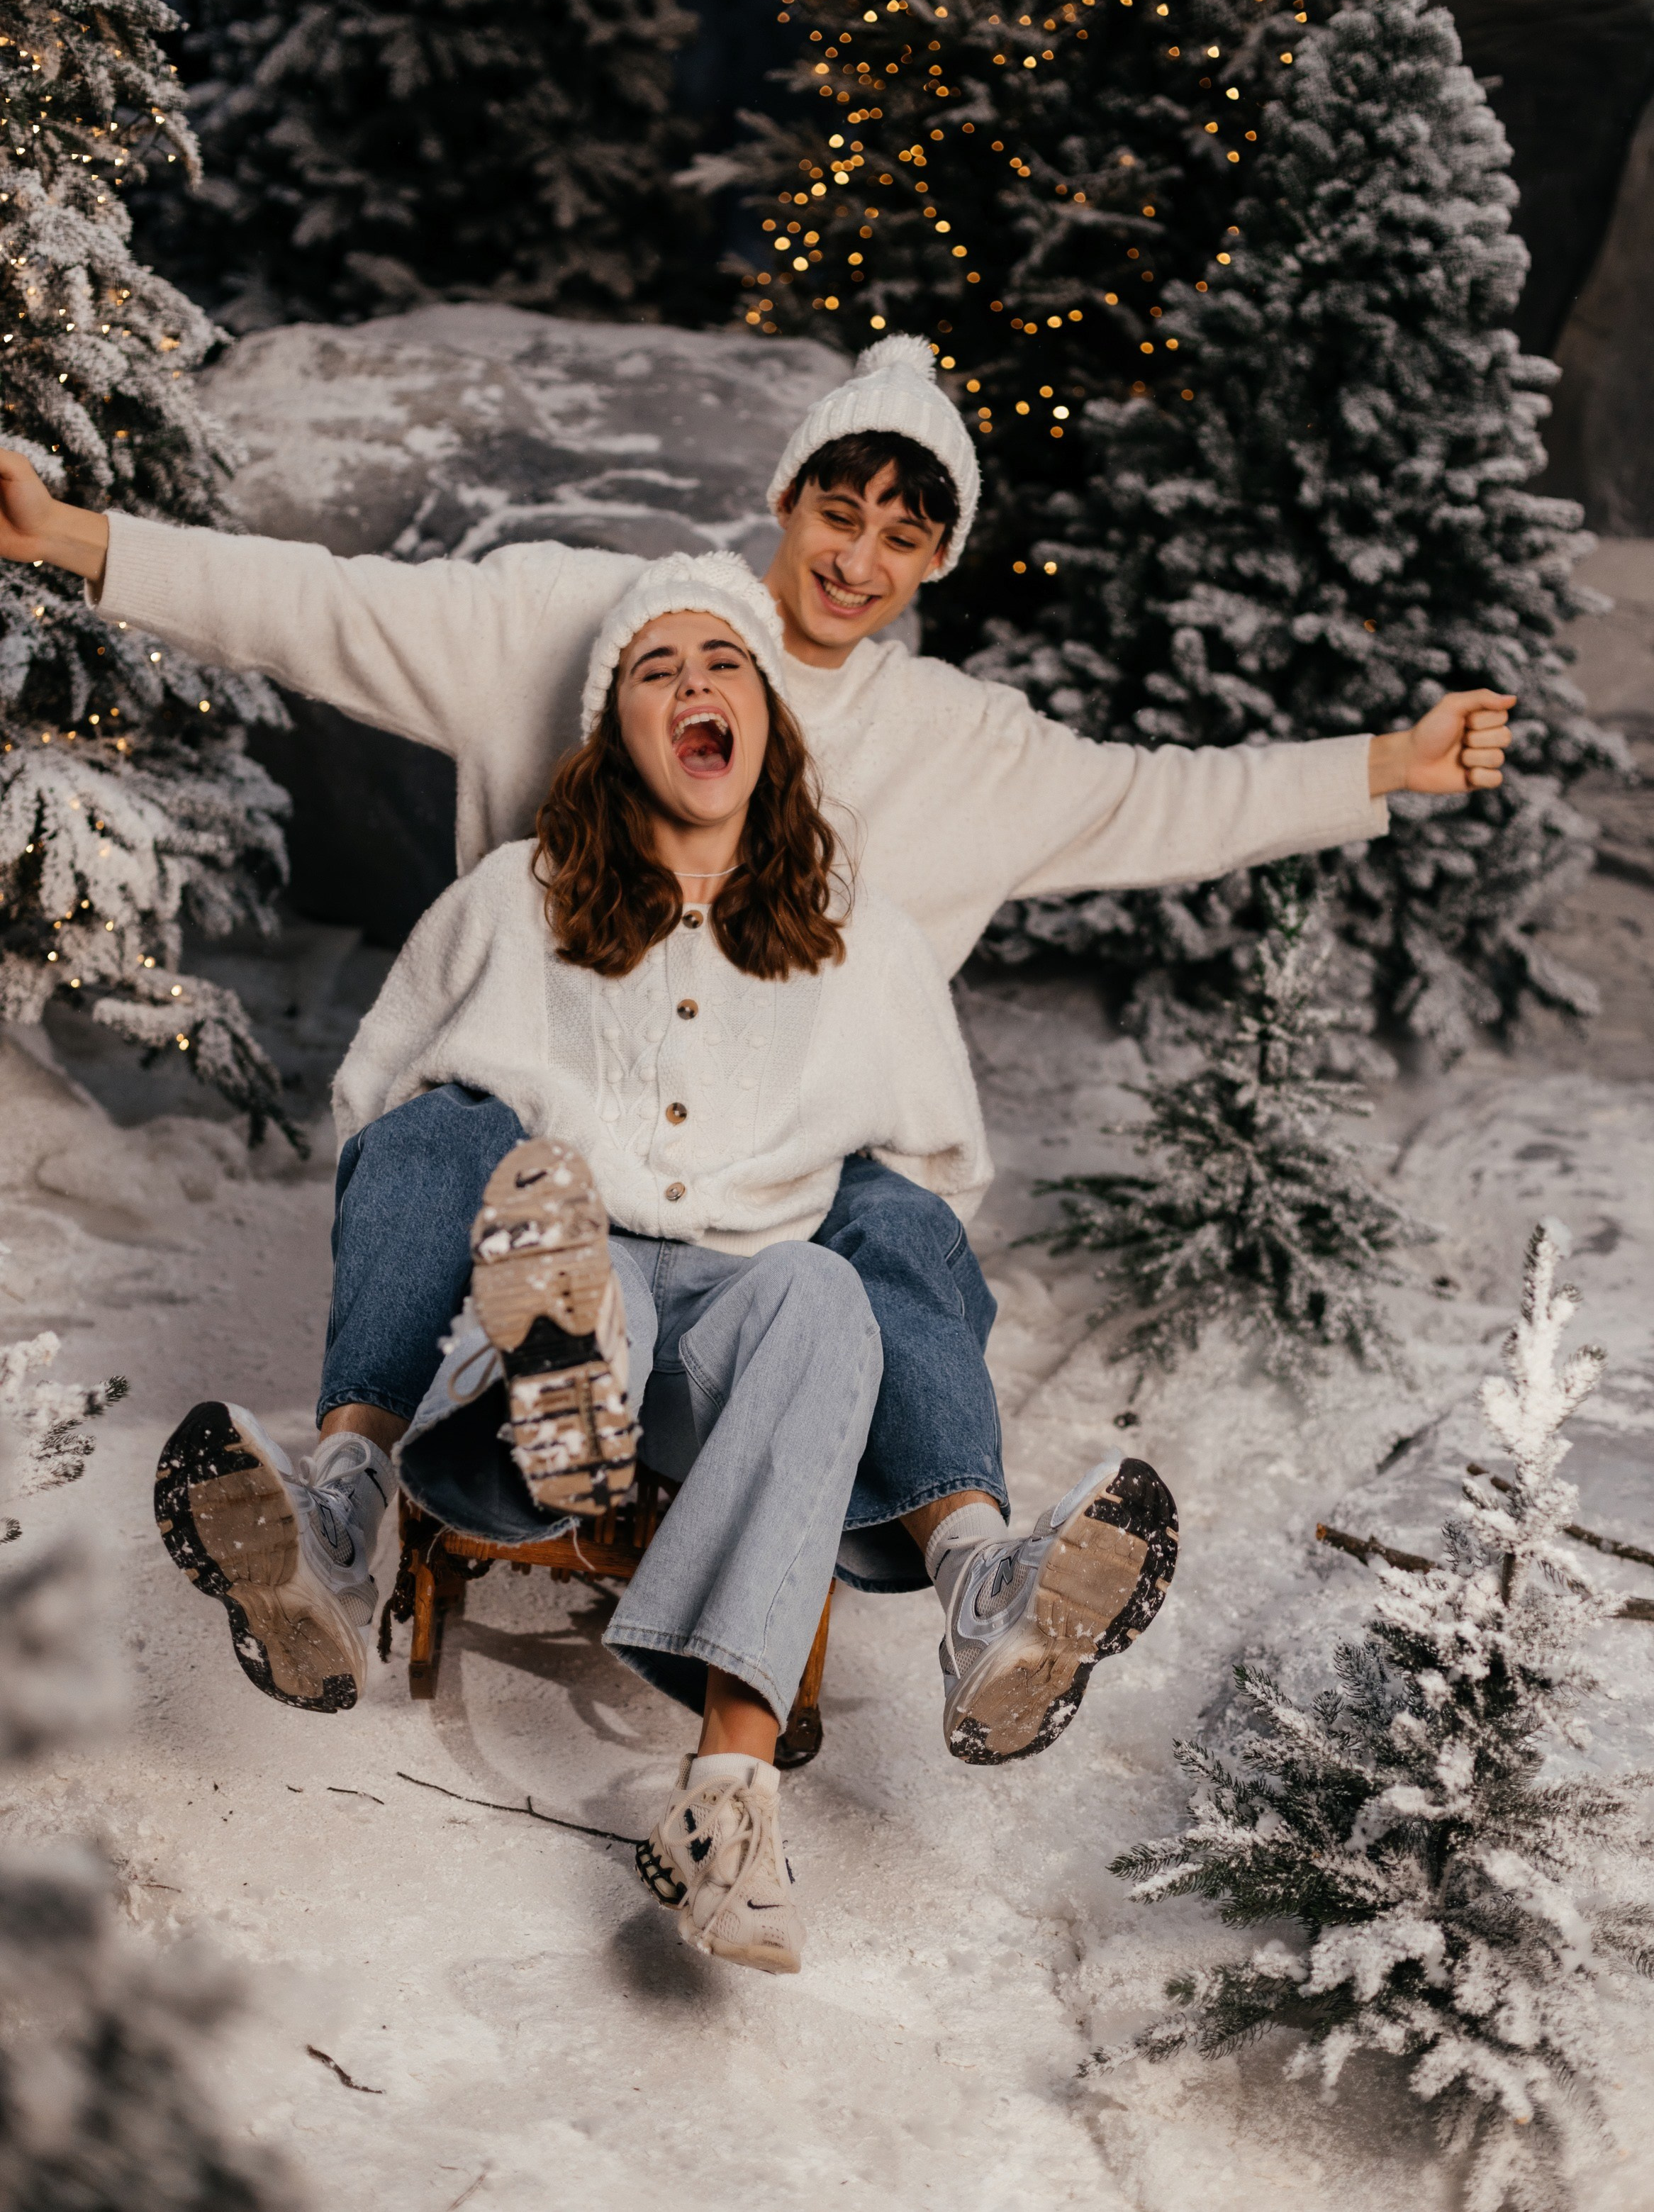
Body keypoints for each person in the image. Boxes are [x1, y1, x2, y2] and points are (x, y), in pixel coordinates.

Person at [0, 333, 1514, 1689]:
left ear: (935, 564)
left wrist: (1393, 763)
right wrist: (73, 536)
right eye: (838, 513)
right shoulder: (595, 627)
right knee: (438, 1120)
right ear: (787, 501)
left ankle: (977, 1572)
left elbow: (1164, 796)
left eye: (903, 538)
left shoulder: (958, 747)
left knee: (897, 1214)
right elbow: (319, 606)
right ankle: (352, 1490)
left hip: (779, 1199)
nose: (857, 561)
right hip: (566, 1143)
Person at [153, 557, 1180, 1974]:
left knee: (837, 1273)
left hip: (747, 1329)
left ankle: (734, 1793)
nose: (698, 684)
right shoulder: (517, 898)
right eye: (658, 668)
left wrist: (826, 1236)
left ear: (769, 722)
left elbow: (939, 1176)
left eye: (726, 664)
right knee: (460, 1146)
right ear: (611, 732)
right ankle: (352, 1504)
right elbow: (377, 1126)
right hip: (560, 1289)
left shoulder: (860, 938)